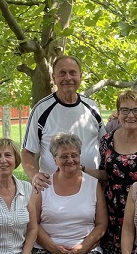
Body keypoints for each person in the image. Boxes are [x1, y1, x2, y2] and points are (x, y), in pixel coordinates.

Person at [29, 133, 107, 254]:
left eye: (74, 155)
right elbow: (33, 223)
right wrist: (53, 247)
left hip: (85, 248)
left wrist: (82, 248)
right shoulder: (43, 185)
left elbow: (101, 224)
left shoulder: (92, 184)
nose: (70, 160)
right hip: (47, 248)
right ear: (54, 159)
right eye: (64, 156)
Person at [90, 90, 137, 254]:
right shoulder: (107, 140)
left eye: (136, 110)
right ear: (118, 113)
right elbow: (105, 174)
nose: (130, 115)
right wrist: (81, 170)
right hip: (114, 209)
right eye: (125, 110)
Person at [22, 55, 104, 192]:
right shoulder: (41, 109)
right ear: (54, 78)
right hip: (54, 191)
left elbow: (105, 144)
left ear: (80, 76)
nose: (68, 78)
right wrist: (34, 175)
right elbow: (27, 152)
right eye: (62, 73)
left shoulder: (92, 107)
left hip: (91, 189)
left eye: (72, 72)